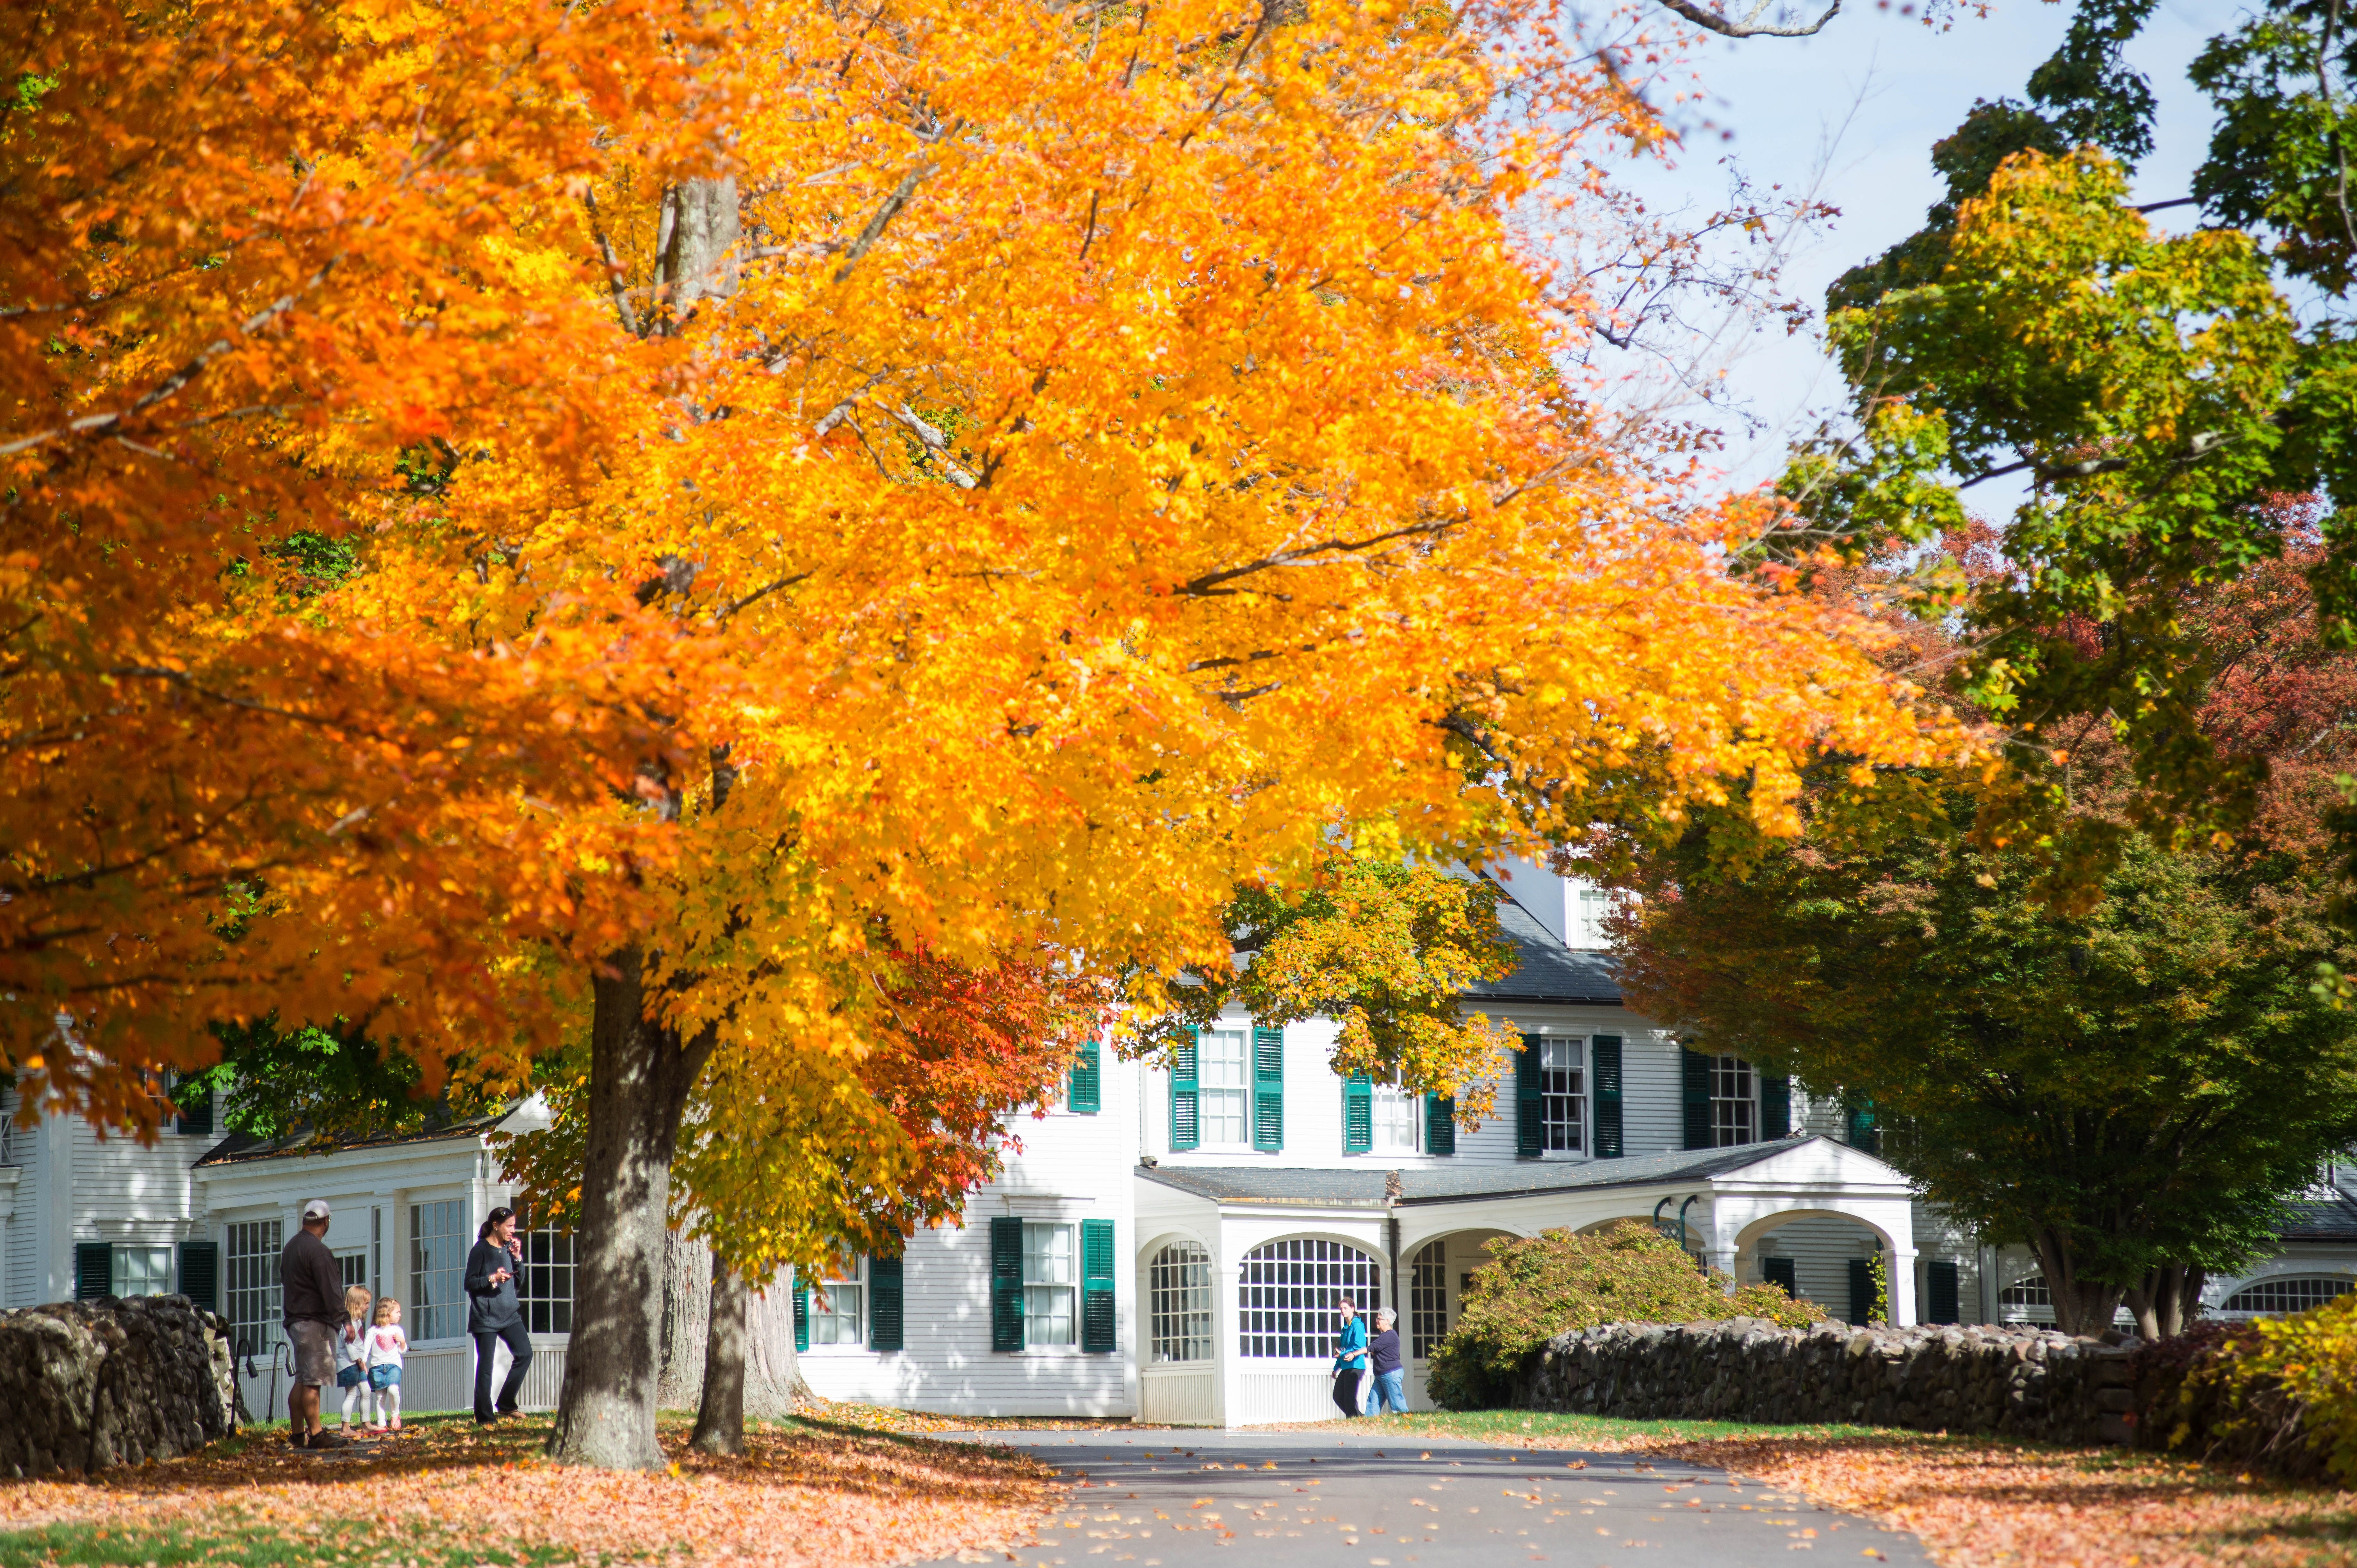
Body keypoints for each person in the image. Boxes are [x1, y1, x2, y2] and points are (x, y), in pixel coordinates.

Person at [279, 1198, 353, 1450]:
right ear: (326, 1221)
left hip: (295, 1322)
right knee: (313, 1382)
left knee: (301, 1379)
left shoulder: (291, 1248)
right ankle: (318, 1434)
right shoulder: (319, 1251)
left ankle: (298, 1434)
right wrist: (346, 1320)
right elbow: (331, 1290)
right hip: (314, 1324)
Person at [465, 1206, 532, 1425]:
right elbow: (470, 1283)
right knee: (486, 1368)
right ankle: (485, 1418)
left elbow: (520, 1282)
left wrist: (518, 1258)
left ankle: (505, 1404)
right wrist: (492, 1278)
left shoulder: (508, 1249)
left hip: (510, 1315)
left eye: (514, 1225)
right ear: (496, 1225)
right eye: (509, 1225)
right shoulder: (480, 1250)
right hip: (486, 1318)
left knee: (525, 1354)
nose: (513, 1230)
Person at [333, 1284, 374, 1434]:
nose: (369, 1307)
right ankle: (345, 1428)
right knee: (351, 1394)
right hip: (349, 1365)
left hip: (358, 1364)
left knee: (366, 1391)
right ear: (357, 1304)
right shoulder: (348, 1324)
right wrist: (360, 1361)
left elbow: (359, 1346)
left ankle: (366, 1424)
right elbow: (350, 1346)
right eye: (366, 1303)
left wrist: (361, 1362)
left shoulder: (357, 1322)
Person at [366, 1296, 408, 1434]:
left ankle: (395, 1415)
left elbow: (403, 1350)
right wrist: (363, 1363)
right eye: (397, 1312)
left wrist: (402, 1342)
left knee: (393, 1390)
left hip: (394, 1366)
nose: (400, 1315)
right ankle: (381, 1423)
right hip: (377, 1367)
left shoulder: (398, 1330)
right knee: (380, 1396)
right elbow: (366, 1349)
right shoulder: (373, 1331)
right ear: (387, 1313)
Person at [1367, 1307, 1409, 1415]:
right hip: (1382, 1375)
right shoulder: (1384, 1336)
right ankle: (1368, 1424)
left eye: (1379, 1319)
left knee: (1397, 1404)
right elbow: (1376, 1351)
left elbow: (1372, 1349)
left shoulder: (1390, 1335)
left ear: (1387, 1321)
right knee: (1373, 1401)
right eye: (1377, 1318)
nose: (1377, 1321)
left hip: (1391, 1374)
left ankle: (1407, 1423)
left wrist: (1353, 1354)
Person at [1331, 1295, 1368, 1418]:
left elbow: (1359, 1346)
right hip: (1346, 1366)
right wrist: (1337, 1367)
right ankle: (1357, 1417)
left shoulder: (1357, 1325)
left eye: (1346, 1308)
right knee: (1337, 1396)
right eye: (1341, 1309)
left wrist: (1342, 1354)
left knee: (1349, 1397)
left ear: (1352, 1309)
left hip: (1356, 1366)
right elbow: (1343, 1348)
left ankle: (1355, 1418)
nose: (1343, 1311)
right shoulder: (1346, 1328)